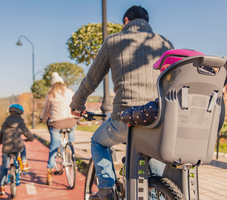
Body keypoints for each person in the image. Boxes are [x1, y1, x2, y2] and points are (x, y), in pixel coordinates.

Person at [70, 5, 174, 200]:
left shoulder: (113, 41)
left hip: (125, 118)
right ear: (147, 22)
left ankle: (106, 190)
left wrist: (77, 105)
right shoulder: (165, 44)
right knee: (155, 177)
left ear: (126, 21)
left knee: (98, 142)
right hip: (158, 119)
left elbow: (91, 80)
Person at [40, 72, 78, 186]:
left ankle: (49, 174)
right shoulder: (70, 91)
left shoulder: (51, 93)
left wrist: (43, 118)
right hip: (71, 121)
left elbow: (46, 109)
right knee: (72, 130)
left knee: (53, 147)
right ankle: (71, 147)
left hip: (56, 123)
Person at [0, 104, 34, 196]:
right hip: (18, 147)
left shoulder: (6, 122)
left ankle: (1, 187)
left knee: (4, 167)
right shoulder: (21, 122)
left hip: (6, 148)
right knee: (22, 146)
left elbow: (1, 134)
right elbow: (27, 133)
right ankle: (24, 162)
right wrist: (30, 138)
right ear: (20, 113)